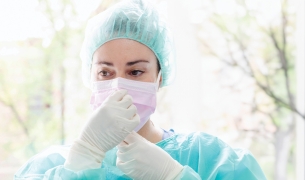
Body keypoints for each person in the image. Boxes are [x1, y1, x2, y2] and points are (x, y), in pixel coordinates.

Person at [15, 0, 267, 179]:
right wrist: (82, 160)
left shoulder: (208, 159)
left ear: (159, 77)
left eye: (135, 72)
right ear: (90, 78)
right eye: (105, 72)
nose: (118, 86)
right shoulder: (50, 168)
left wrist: (175, 176)